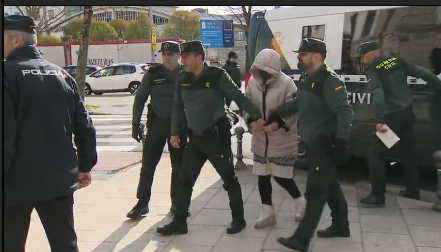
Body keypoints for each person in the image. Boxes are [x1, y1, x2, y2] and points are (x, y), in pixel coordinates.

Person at [4, 15, 97, 252]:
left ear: (15, 40)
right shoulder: (62, 75)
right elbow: (84, 124)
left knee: (11, 243)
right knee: (65, 243)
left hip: (15, 183)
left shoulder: (7, 74)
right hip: (59, 180)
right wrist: (85, 166)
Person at [156, 40, 264, 236]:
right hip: (194, 140)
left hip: (215, 139)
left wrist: (256, 117)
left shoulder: (218, 76)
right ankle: (180, 222)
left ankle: (238, 220)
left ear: (199, 57)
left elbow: (239, 98)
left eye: (186, 57)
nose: (183, 60)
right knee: (184, 180)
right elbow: (178, 107)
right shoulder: (183, 78)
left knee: (229, 180)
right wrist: (174, 133)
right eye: (182, 57)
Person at [265, 38, 354, 252]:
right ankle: (341, 226)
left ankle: (301, 239)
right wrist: (277, 115)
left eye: (302, 54)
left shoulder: (329, 81)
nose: (298, 57)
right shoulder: (308, 78)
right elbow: (299, 104)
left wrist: (342, 141)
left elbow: (345, 112)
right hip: (313, 144)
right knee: (330, 186)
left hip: (326, 145)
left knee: (315, 192)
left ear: (316, 56)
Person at [358, 41, 441, 206]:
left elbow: (379, 96)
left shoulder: (373, 70)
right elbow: (422, 73)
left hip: (391, 119)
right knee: (407, 152)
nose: (361, 60)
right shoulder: (397, 61)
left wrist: (380, 121)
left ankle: (377, 195)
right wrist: (439, 85)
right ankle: (413, 190)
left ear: (373, 54)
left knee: (376, 154)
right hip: (407, 115)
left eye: (363, 56)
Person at [244, 48, 306, 229]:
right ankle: (267, 211)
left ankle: (300, 202)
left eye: (266, 72)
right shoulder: (252, 83)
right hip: (260, 140)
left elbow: (294, 110)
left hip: (281, 140)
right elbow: (247, 104)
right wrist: (251, 121)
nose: (262, 75)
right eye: (259, 71)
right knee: (262, 176)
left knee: (282, 177)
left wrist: (277, 124)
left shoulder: (287, 84)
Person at [129, 41, 187, 219]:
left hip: (179, 127)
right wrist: (135, 123)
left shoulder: (186, 74)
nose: (167, 57)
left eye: (171, 54)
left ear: (179, 56)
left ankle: (177, 205)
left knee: (178, 168)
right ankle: (142, 203)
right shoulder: (153, 74)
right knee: (147, 166)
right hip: (157, 125)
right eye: (164, 54)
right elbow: (140, 98)